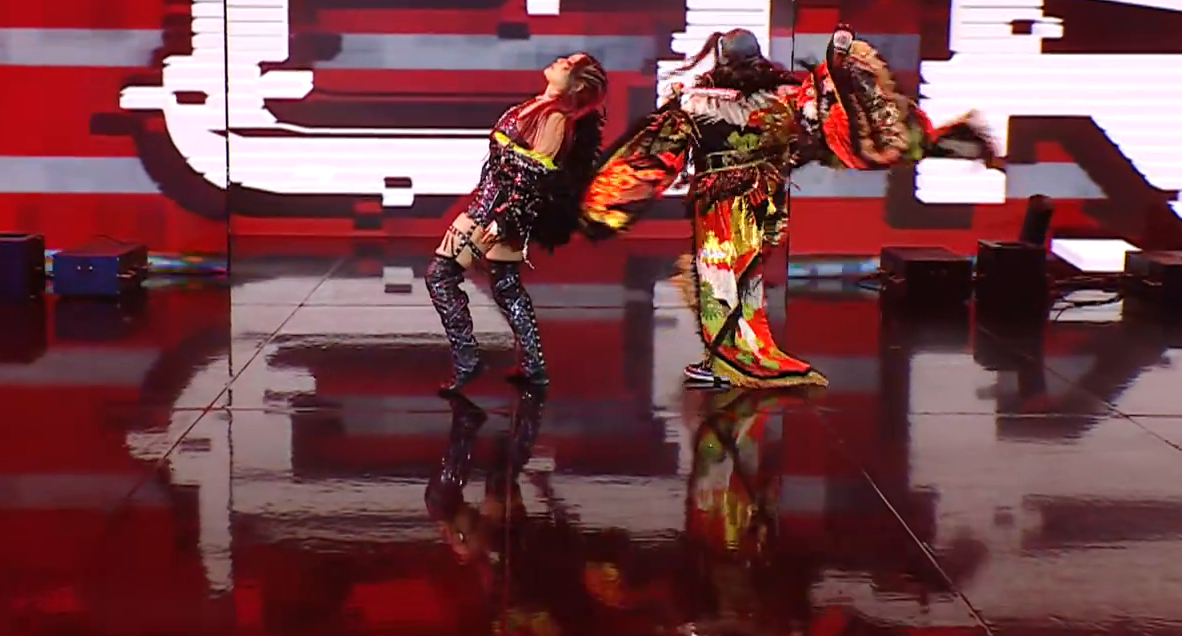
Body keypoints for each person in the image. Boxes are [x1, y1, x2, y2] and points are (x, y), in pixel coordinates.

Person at [581, 26, 998, 389]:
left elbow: (653, 157)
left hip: (723, 204)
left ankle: (733, 363)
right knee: (739, 282)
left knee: (723, 283)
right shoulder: (786, 99)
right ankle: (725, 359)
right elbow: (831, 131)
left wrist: (603, 206)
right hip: (765, 202)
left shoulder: (696, 104)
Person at [426, 53, 608, 397]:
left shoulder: (555, 119)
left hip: (496, 212)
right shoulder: (538, 107)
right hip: (492, 205)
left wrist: (505, 219)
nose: (559, 60)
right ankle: (534, 366)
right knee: (506, 285)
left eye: (568, 63)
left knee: (441, 276)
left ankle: (467, 359)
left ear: (577, 84)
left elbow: (536, 181)